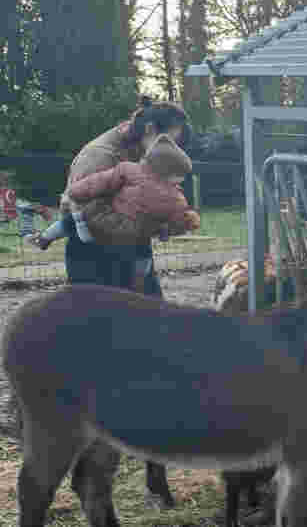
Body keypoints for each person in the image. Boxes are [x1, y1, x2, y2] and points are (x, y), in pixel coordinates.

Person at [57, 96, 191, 507]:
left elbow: (158, 200)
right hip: (96, 263)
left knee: (158, 358)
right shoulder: (100, 155)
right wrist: (141, 227)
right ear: (151, 131)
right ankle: (86, 474)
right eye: (171, 138)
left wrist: (166, 222)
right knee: (102, 370)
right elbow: (83, 209)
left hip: (135, 261)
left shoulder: (148, 154)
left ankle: (156, 479)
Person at [33, 134, 202, 292]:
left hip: (108, 220)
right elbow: (179, 220)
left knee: (73, 220)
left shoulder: (128, 170)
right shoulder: (175, 197)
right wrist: (178, 226)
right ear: (167, 172)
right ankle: (139, 280)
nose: (182, 179)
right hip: (133, 235)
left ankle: (46, 237)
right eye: (180, 175)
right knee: (142, 254)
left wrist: (76, 192)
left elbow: (99, 182)